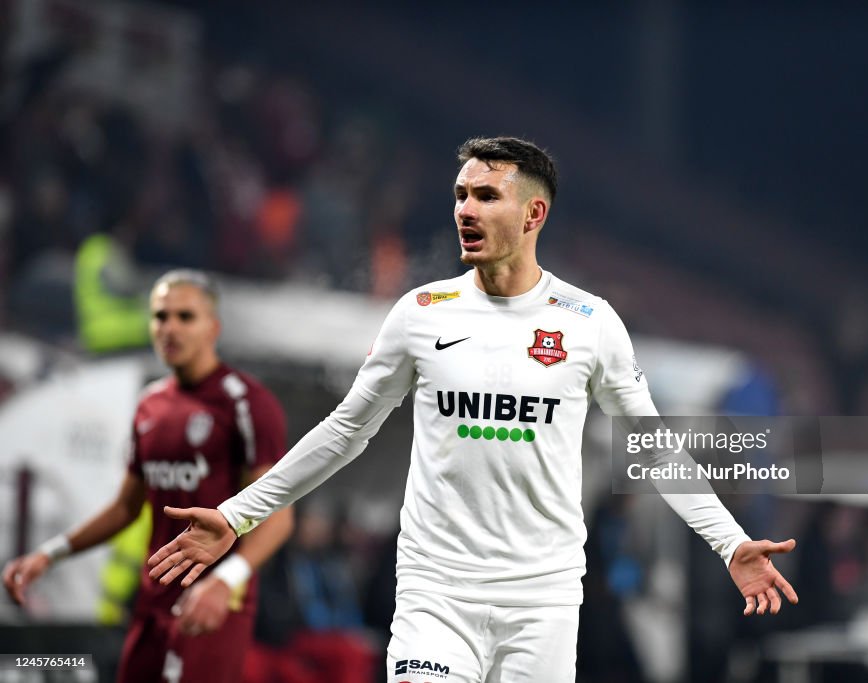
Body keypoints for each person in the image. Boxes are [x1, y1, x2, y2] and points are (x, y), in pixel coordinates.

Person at [147, 137, 798, 682]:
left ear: (534, 212)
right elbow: (346, 430)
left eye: (486, 195)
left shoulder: (590, 323)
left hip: (539, 599)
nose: (466, 208)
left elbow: (655, 449)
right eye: (460, 194)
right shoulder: (421, 314)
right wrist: (237, 515)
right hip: (437, 592)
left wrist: (730, 541)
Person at [3, 269, 294, 683]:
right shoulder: (149, 406)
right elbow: (125, 507)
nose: (170, 328)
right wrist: (50, 553)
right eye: (161, 317)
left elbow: (278, 517)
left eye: (185, 317)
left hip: (210, 607)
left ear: (213, 327)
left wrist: (225, 582)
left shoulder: (247, 404)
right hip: (148, 607)